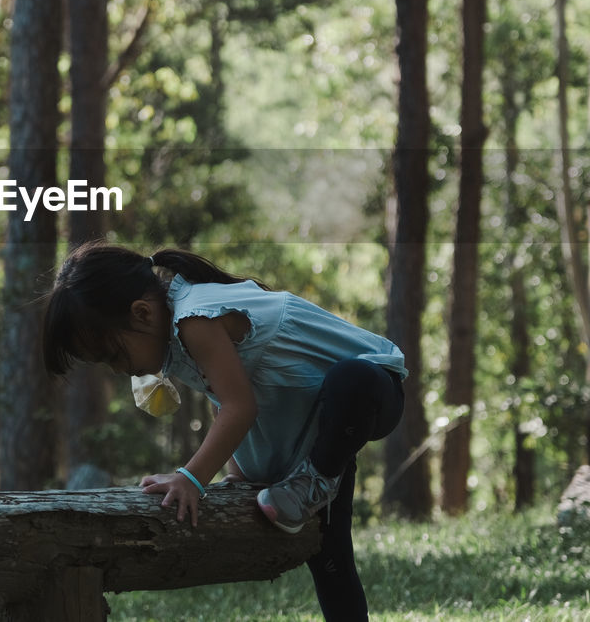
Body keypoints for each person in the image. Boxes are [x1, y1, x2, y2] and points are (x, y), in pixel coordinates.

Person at [42, 242, 407, 620]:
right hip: (319, 429)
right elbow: (226, 394)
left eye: (114, 356)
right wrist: (239, 474)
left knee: (352, 378)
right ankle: (316, 479)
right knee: (330, 559)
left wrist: (191, 478)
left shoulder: (194, 318)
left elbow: (240, 408)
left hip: (374, 391)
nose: (118, 370)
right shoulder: (174, 336)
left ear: (143, 313)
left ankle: (316, 478)